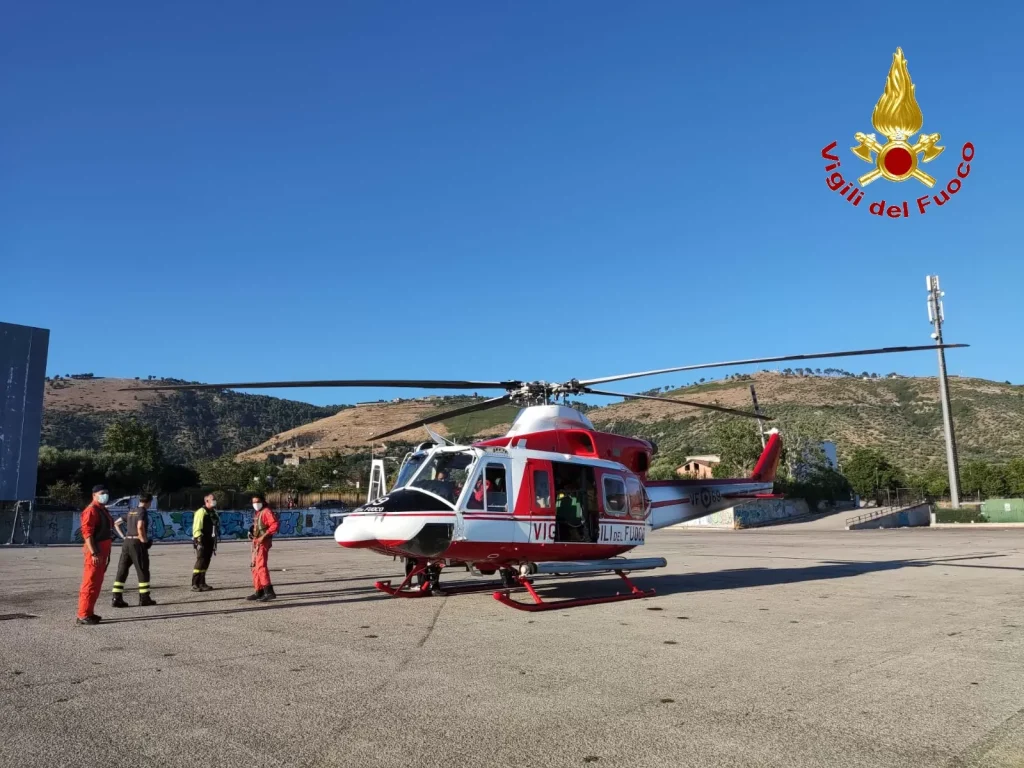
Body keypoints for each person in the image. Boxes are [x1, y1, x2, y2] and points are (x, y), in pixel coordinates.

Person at [77, 484, 114, 625]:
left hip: (101, 552)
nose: (105, 495)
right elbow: (87, 534)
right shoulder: (91, 511)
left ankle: (89, 612)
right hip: (95, 552)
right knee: (90, 583)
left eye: (107, 492)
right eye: (102, 493)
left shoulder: (102, 510)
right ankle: (83, 614)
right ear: (94, 495)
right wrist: (94, 553)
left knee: (96, 584)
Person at [111, 494, 156, 608]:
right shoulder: (142, 512)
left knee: (122, 569)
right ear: (149, 502)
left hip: (127, 543)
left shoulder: (131, 511)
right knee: (142, 570)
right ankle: (144, 598)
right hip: (137, 543)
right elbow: (140, 526)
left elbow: (116, 523)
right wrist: (144, 541)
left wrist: (123, 536)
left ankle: (116, 597)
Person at [246, 494, 280, 602]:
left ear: (263, 501)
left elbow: (275, 525)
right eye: (253, 502)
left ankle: (268, 591)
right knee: (255, 567)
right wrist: (251, 531)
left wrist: (263, 536)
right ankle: (259, 591)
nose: (255, 504)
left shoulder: (266, 511)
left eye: (257, 501)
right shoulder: (259, 512)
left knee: (261, 566)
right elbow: (259, 525)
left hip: (263, 543)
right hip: (256, 542)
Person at [191, 493, 220, 592]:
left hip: (210, 540)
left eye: (215, 499)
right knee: (200, 561)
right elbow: (197, 526)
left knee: (206, 561)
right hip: (202, 540)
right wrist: (198, 540)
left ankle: (202, 583)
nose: (215, 500)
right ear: (206, 501)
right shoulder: (201, 512)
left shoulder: (213, 512)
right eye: (213, 499)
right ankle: (195, 583)